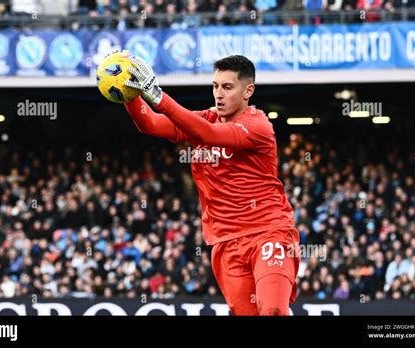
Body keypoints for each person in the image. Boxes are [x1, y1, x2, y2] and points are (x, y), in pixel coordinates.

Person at [123, 54, 300, 316]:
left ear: (248, 90)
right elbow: (148, 123)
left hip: (269, 231)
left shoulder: (258, 125)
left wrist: (159, 97)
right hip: (225, 242)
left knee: (273, 309)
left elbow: (209, 135)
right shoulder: (204, 118)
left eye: (227, 87)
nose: (219, 93)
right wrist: (129, 92)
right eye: (215, 86)